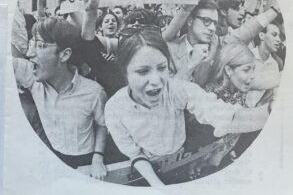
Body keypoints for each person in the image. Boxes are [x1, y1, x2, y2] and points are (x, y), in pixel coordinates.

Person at [104, 26, 272, 186]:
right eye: (142, 71)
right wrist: (158, 186)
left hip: (183, 157)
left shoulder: (178, 89)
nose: (156, 81)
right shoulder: (114, 109)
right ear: (124, 72)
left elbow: (229, 117)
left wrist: (272, 111)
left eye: (162, 68)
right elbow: (135, 155)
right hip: (147, 168)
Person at [12, 17, 108, 180]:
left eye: (41, 46)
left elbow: (102, 125)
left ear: (64, 55)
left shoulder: (94, 92)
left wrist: (98, 157)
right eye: (31, 44)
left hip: (86, 161)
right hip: (54, 157)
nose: (29, 54)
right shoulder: (33, 79)